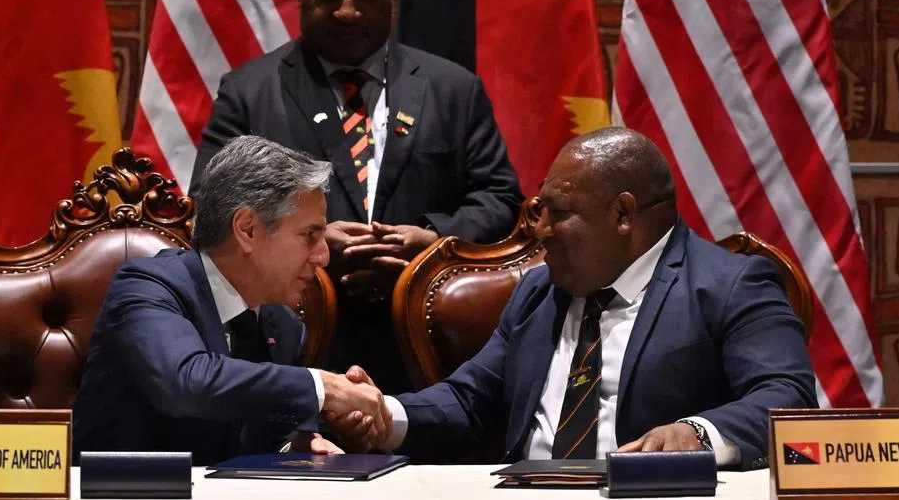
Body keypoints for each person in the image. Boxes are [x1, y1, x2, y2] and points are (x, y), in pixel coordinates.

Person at [328, 128, 819, 470]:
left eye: (557, 213)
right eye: (539, 210)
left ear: (623, 215)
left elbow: (787, 398)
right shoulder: (541, 291)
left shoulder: (729, 285)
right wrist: (382, 415)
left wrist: (697, 434)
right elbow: (470, 399)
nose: (538, 231)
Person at [188, 0, 523, 395]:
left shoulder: (453, 90)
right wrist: (310, 240)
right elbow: (209, 209)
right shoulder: (249, 93)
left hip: (432, 347)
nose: (346, 11)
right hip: (290, 344)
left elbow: (500, 198)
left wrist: (431, 239)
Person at [72, 136, 391, 465]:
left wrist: (298, 447)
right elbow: (186, 383)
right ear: (247, 229)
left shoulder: (284, 326)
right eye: (309, 235)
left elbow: (262, 430)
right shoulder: (149, 288)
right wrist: (321, 386)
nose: (323, 256)